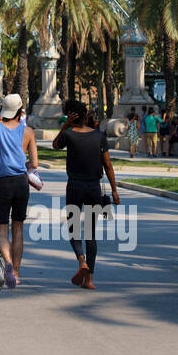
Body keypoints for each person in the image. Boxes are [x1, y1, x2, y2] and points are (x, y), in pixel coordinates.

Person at [52, 100, 119, 290]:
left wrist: (65, 126)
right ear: (86, 114)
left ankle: (81, 260)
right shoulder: (99, 136)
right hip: (93, 188)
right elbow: (108, 164)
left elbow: (55, 145)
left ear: (70, 116)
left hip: (74, 187)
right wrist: (114, 190)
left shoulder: (68, 134)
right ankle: (89, 280)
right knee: (90, 234)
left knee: (73, 229)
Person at [0, 93, 40, 286]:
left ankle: (6, 261)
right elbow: (34, 163)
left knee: (1, 227)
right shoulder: (28, 132)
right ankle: (15, 271)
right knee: (18, 227)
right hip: (21, 183)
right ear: (20, 111)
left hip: (1, 182)